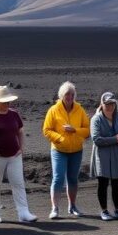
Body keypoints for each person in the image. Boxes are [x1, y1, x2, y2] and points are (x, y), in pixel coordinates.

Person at [0, 85, 37, 224]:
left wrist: (21, 147)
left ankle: (23, 212)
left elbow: (20, 131)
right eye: (4, 102)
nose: (7, 104)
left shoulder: (14, 114)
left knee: (18, 183)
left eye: (8, 102)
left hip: (14, 156)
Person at [42, 81, 90, 219]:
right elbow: (46, 130)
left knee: (73, 179)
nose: (69, 97)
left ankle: (72, 206)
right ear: (61, 95)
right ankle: (55, 208)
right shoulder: (53, 110)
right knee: (58, 178)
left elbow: (87, 131)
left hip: (76, 150)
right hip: (59, 150)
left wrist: (75, 130)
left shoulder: (79, 110)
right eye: (66, 94)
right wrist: (59, 138)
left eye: (72, 94)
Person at [90, 92, 118, 220]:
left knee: (117, 182)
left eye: (112, 103)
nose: (110, 106)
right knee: (103, 182)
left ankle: (117, 210)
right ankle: (104, 211)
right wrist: (116, 139)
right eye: (107, 104)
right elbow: (97, 140)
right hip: (101, 156)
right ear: (102, 104)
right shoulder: (96, 119)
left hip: (117, 154)